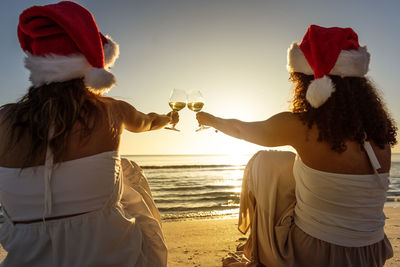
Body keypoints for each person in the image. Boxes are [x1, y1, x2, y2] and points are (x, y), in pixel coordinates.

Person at [197, 25, 396, 267]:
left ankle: (258, 249)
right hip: (370, 253)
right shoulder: (380, 133)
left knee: (265, 163)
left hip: (316, 254)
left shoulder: (300, 127)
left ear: (309, 83)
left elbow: (241, 130)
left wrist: (210, 120)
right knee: (290, 166)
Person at [0, 2, 177, 266]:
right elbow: (148, 122)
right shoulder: (112, 110)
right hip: (109, 256)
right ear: (93, 66)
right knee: (129, 171)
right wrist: (168, 119)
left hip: (27, 256)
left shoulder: (4, 119)